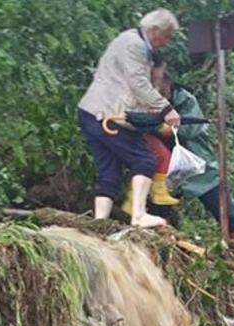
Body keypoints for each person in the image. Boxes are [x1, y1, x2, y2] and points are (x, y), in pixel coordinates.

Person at [123, 66, 234, 244]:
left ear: (168, 83)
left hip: (198, 167)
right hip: (164, 172)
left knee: (227, 214)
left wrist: (160, 126)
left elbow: (191, 130)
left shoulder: (185, 99)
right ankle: (163, 254)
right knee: (157, 216)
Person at [77, 8, 181, 228]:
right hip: (107, 115)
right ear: (155, 31)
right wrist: (166, 109)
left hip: (92, 112)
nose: (167, 42)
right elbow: (138, 84)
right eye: (167, 36)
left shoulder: (130, 42)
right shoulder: (133, 44)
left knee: (109, 170)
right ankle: (139, 216)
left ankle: (99, 223)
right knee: (145, 160)